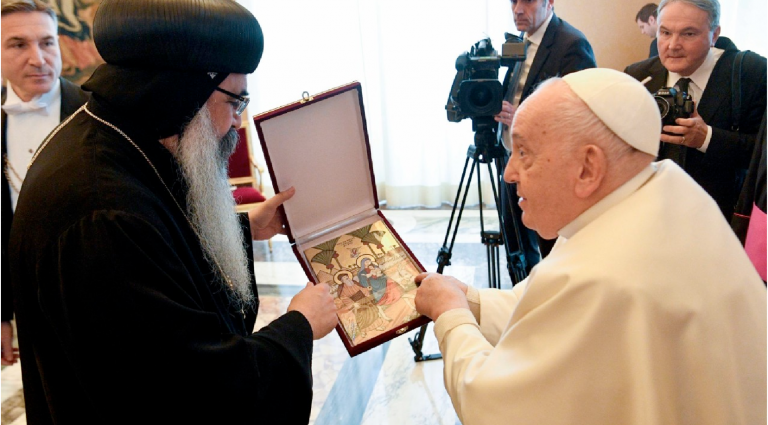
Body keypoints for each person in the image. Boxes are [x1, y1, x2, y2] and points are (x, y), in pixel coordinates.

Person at [9, 0, 337, 423]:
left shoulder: (119, 136)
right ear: (182, 90)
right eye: (236, 102)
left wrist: (243, 227)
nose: (238, 123)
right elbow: (191, 389)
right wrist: (299, 326)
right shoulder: (101, 211)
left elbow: (157, 246)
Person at [414, 68, 768, 424]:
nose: (509, 173)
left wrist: (451, 315)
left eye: (523, 152)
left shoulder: (602, 277)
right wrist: (471, 301)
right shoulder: (663, 193)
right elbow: (549, 307)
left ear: (588, 168)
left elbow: (492, 404)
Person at [0, 0, 89, 367]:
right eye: (18, 44)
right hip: (27, 299)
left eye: (47, 42)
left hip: (98, 286)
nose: (38, 58)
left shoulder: (95, 112)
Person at [624, 0, 768, 219]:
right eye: (665, 33)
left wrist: (706, 138)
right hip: (648, 213)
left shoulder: (751, 75)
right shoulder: (637, 76)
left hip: (719, 219)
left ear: (714, 34)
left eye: (688, 34)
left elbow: (761, 155)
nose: (673, 45)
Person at [495, 0, 596, 276]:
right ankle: (524, 293)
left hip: (548, 166)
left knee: (551, 249)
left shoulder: (571, 44)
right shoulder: (519, 42)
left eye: (527, 1)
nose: (518, 9)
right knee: (515, 243)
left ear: (549, 3)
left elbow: (580, 114)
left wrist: (523, 118)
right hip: (511, 157)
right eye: (513, 1)